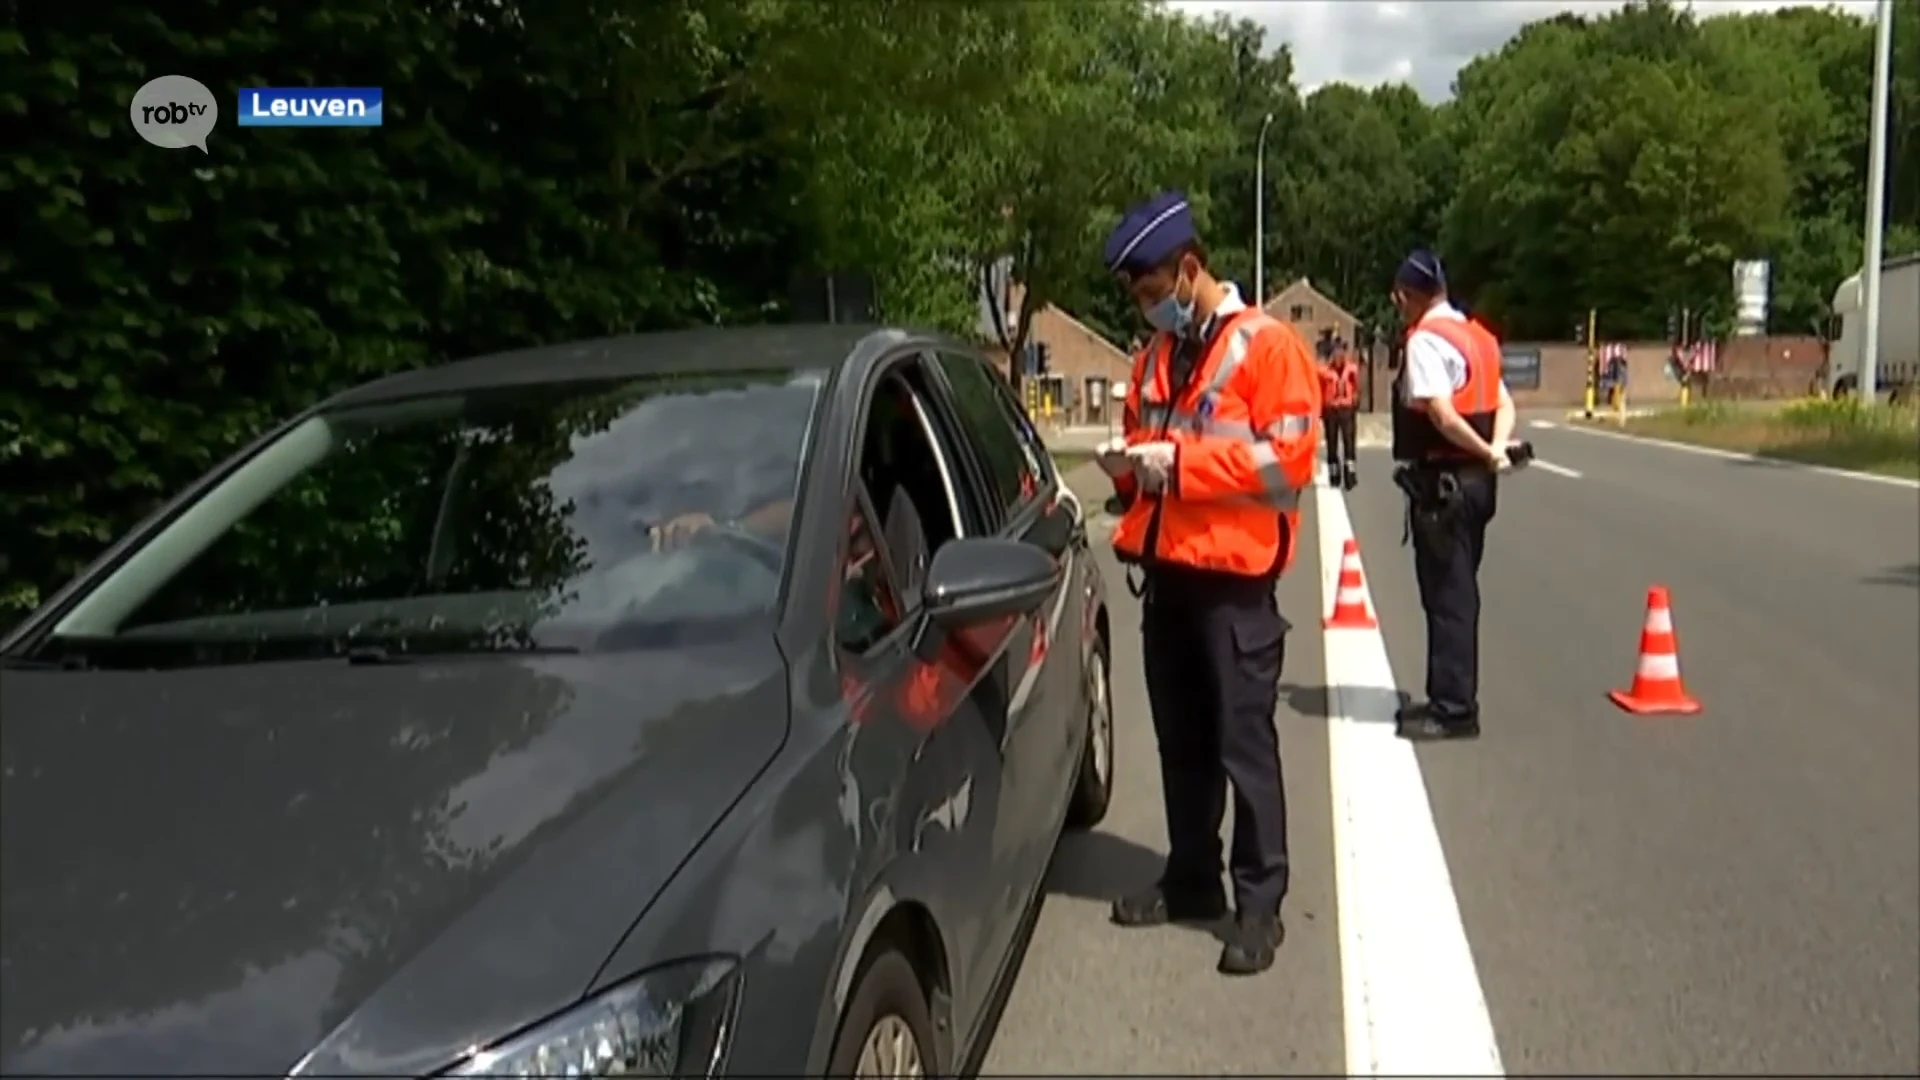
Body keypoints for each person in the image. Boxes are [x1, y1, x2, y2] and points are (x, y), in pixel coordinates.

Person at [1095, 190, 1321, 976]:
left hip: (1234, 582)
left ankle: (1260, 906)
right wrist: (1126, 470)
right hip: (1168, 580)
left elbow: (1285, 462)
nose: (1148, 309)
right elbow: (1141, 436)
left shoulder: (1269, 348)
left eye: (1154, 293)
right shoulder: (1156, 356)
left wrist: (1179, 466)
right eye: (1139, 298)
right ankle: (1192, 878)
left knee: (1243, 747)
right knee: (1182, 744)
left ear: (1189, 270)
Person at [1386, 249, 1517, 741]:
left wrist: (1483, 449)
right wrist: (1494, 450)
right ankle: (1448, 695)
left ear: (1408, 295)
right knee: (1459, 590)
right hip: (1479, 484)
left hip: (1444, 487)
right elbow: (1503, 401)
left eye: (1399, 297)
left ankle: (1454, 708)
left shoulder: (1426, 341)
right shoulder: (1477, 337)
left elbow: (1439, 414)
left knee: (1447, 596)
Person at [1318, 340, 1361, 490]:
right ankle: (1334, 475)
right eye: (1336, 352)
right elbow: (1320, 390)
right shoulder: (1324, 371)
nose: (1339, 356)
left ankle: (1350, 474)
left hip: (1346, 408)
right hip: (1331, 409)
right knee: (1332, 442)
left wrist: (1355, 401)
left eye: (1341, 352)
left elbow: (1356, 387)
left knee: (1349, 441)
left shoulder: (1352, 369)